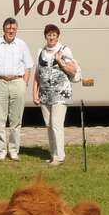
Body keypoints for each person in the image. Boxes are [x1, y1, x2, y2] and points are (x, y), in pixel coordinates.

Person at [0, 17, 31, 161]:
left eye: (14, 29)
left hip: (17, 82)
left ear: (17, 30)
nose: (11, 31)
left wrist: (24, 83)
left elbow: (28, 66)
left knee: (16, 119)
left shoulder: (22, 45)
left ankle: (14, 150)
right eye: (9, 29)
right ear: (4, 29)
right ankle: (1, 151)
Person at [32, 24, 79, 165]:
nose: (51, 37)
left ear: (58, 36)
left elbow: (73, 71)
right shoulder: (41, 51)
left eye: (54, 34)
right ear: (45, 36)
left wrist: (60, 62)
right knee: (48, 125)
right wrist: (35, 93)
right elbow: (37, 74)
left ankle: (59, 156)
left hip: (60, 93)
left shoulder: (64, 50)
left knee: (56, 125)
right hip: (45, 94)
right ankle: (53, 154)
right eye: (49, 34)